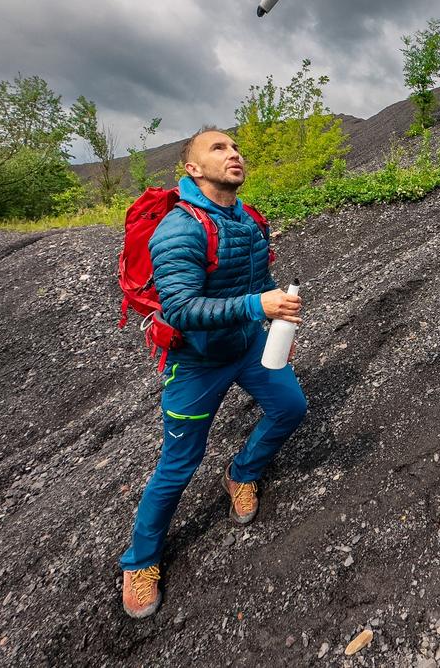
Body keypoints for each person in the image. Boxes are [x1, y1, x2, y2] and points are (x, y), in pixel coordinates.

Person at [119, 127, 306, 619]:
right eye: (218, 148)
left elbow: (256, 278)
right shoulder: (179, 229)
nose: (234, 154)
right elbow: (179, 308)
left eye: (235, 147)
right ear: (193, 169)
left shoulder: (248, 219)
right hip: (197, 363)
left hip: (249, 345)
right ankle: (140, 560)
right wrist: (255, 304)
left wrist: (275, 306)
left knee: (291, 407)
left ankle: (241, 474)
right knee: (179, 464)